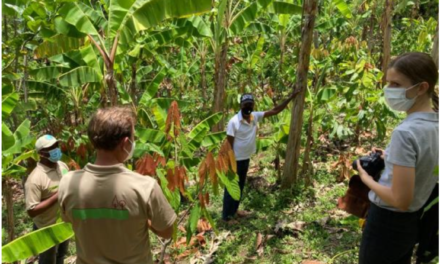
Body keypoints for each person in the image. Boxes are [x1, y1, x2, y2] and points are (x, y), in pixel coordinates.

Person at [58, 106, 177, 264]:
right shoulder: (144, 187)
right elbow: (167, 231)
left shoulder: (68, 183)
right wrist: (145, 221)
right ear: (125, 143)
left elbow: (69, 220)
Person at [357, 52, 439, 264]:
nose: (388, 90)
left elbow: (400, 200)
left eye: (396, 84)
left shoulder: (406, 132)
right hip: (413, 223)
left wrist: (366, 178)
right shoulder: (434, 125)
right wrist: (391, 157)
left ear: (421, 87)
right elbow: (425, 162)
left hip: (387, 223)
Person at [222, 90, 301, 222]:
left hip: (245, 158)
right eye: (245, 104)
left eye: (250, 104)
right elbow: (228, 144)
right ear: (240, 106)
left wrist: (291, 97)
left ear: (253, 106)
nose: (248, 107)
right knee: (231, 188)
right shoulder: (234, 122)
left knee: (240, 186)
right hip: (234, 160)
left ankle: (235, 211)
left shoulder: (254, 116)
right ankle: (226, 217)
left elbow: (275, 111)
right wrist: (228, 162)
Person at [25, 135, 70, 264]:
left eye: (56, 146)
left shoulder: (62, 165)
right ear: (41, 153)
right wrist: (58, 194)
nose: (56, 149)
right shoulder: (35, 179)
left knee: (61, 256)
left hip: (64, 222)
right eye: (51, 148)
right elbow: (32, 211)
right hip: (46, 228)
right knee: (48, 260)